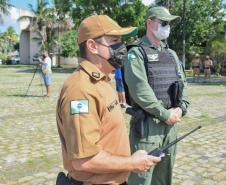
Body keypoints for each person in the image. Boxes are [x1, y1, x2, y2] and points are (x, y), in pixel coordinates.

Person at [56, 14, 161, 185]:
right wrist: (133, 163)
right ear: (92, 46)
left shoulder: (102, 79)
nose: (122, 47)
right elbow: (84, 160)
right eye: (114, 40)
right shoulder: (81, 90)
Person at [124, 7, 190, 185]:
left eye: (169, 23)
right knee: (141, 179)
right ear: (149, 23)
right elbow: (140, 90)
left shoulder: (171, 54)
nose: (167, 26)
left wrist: (181, 108)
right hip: (148, 128)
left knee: (164, 177)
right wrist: (165, 114)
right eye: (163, 22)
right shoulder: (136, 53)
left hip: (171, 127)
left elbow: (183, 84)